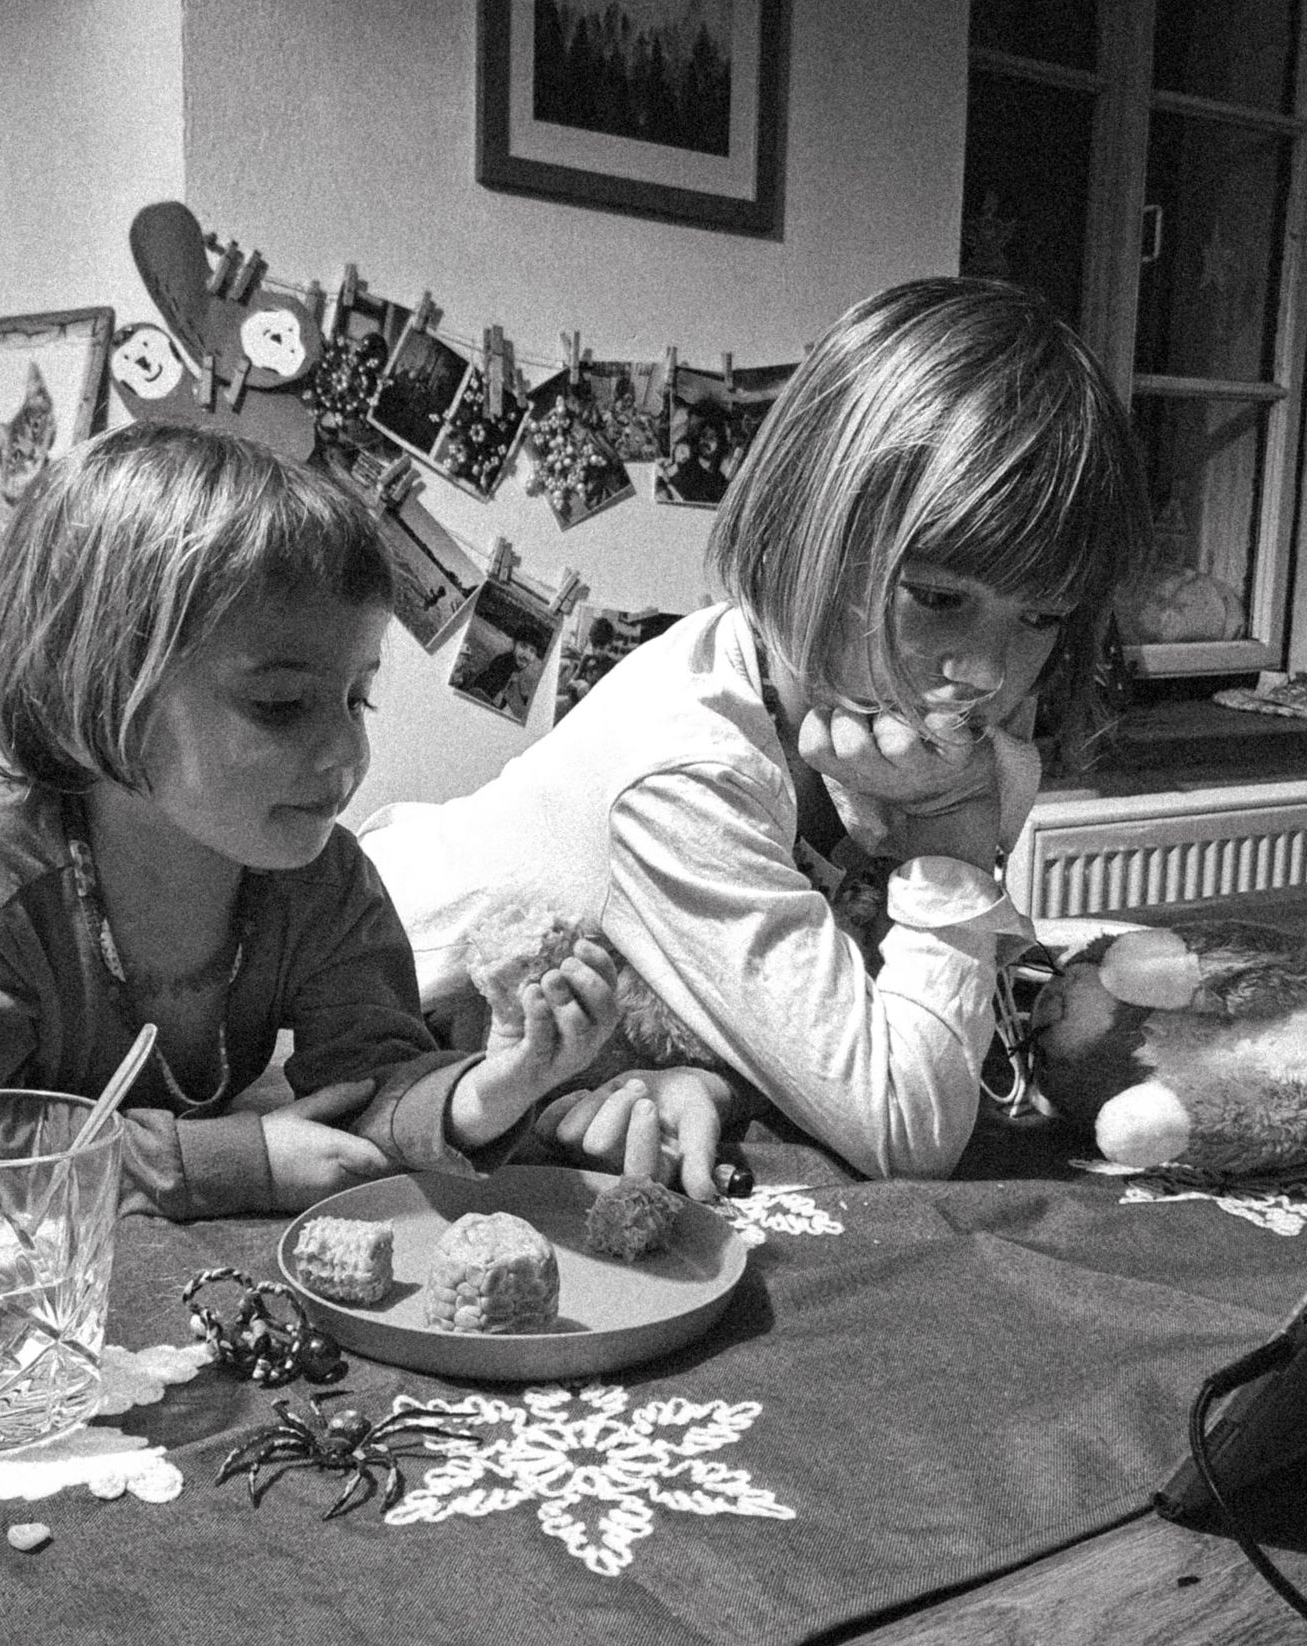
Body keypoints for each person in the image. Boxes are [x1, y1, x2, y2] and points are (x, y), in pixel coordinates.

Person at [0, 423, 618, 1219]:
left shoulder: (323, 877)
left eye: (356, 696)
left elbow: (375, 1080)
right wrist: (228, 1161)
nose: (347, 753)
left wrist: (490, 1088)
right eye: (282, 704)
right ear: (102, 690)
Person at [360, 277, 1150, 1199]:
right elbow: (908, 1131)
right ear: (805, 531)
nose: (984, 672)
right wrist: (952, 843)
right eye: (939, 597)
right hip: (349, 1052)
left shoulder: (873, 714)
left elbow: (907, 1018)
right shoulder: (691, 762)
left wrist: (716, 1082)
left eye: (1041, 616)